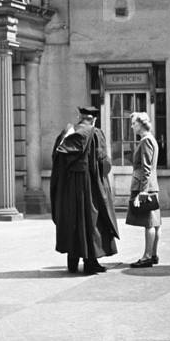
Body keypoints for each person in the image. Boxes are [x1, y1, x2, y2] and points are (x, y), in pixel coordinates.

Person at [50, 106, 119, 274]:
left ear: (79, 117)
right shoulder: (95, 133)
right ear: (93, 119)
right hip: (89, 185)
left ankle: (72, 261)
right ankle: (90, 262)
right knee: (91, 220)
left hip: (68, 187)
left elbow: (56, 160)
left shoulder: (66, 133)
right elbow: (103, 163)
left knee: (72, 219)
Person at [125, 111, 161, 267]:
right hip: (153, 185)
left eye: (134, 123)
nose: (132, 126)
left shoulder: (145, 141)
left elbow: (146, 168)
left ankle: (147, 257)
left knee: (149, 223)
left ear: (140, 124)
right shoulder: (151, 139)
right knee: (155, 222)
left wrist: (142, 192)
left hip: (146, 186)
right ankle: (153, 254)